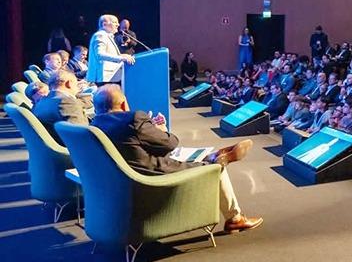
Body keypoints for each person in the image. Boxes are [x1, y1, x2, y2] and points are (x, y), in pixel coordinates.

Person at [91, 85, 262, 232]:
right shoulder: (133, 119)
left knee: (189, 158)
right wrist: (161, 129)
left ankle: (213, 156)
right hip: (153, 179)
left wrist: (148, 130)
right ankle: (235, 218)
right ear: (123, 104)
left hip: (125, 181)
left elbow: (132, 147)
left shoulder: (95, 126)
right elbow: (170, 143)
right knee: (218, 169)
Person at [31, 70, 89, 142]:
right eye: (76, 85)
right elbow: (82, 135)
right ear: (69, 84)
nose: (77, 89)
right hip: (73, 146)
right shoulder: (67, 102)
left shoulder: (40, 104)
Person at [87, 14, 135, 84]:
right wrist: (122, 58)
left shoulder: (107, 35)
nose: (118, 25)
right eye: (115, 22)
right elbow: (100, 55)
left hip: (109, 77)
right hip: (104, 78)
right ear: (104, 24)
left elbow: (108, 54)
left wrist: (123, 55)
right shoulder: (100, 35)